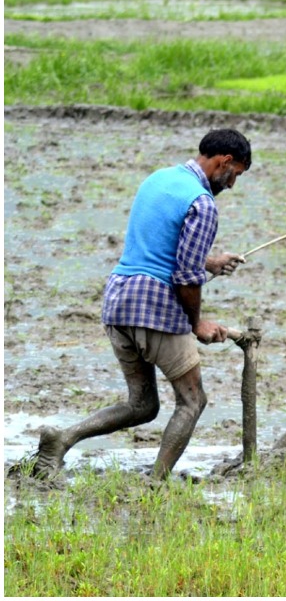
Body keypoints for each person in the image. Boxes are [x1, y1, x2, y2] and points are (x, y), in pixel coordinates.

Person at [30, 129, 252, 481]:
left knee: (143, 405)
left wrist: (210, 262)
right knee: (193, 401)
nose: (233, 184)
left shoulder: (158, 178)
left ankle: (63, 438)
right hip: (154, 307)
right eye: (236, 174)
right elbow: (184, 276)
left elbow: (158, 244)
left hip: (118, 302)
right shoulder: (203, 203)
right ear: (225, 161)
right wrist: (197, 324)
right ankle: (155, 484)